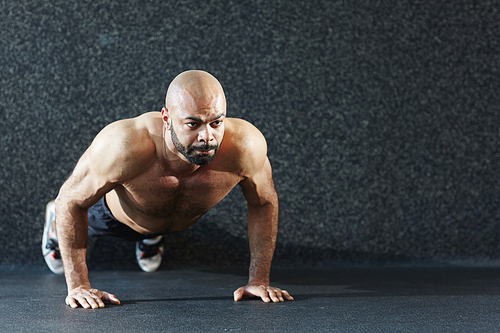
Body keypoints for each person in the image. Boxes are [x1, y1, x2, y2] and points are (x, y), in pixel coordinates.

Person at [41, 70, 294, 309]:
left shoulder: (246, 146)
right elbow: (70, 201)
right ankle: (54, 225)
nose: (207, 137)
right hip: (116, 219)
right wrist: (78, 286)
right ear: (166, 119)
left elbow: (264, 202)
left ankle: (152, 236)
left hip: (174, 217)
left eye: (216, 122)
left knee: (162, 207)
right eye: (193, 124)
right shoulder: (123, 145)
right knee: (71, 212)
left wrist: (259, 280)